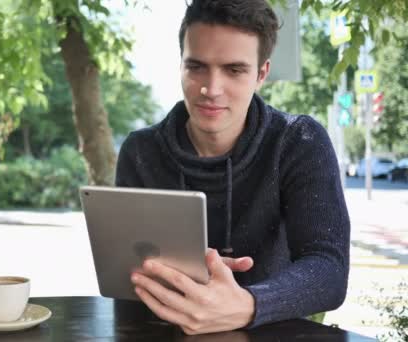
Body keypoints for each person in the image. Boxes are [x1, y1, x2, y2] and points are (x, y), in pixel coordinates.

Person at [115, 0, 350, 334]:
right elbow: (124, 271)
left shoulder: (298, 141)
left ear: (261, 74)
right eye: (196, 67)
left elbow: (329, 271)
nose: (211, 89)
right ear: (180, 64)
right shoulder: (141, 151)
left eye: (234, 70)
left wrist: (248, 304)